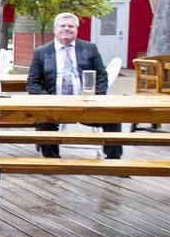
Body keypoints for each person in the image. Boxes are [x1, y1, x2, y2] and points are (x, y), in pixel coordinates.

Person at [26, 12, 122, 159]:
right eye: (62, 26)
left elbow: (102, 76)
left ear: (76, 29)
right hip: (54, 106)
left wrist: (96, 97)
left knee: (113, 118)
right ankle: (52, 162)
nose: (66, 29)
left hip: (86, 105)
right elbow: (32, 83)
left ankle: (114, 161)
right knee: (44, 121)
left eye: (70, 26)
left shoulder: (90, 49)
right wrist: (47, 101)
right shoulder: (42, 52)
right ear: (55, 29)